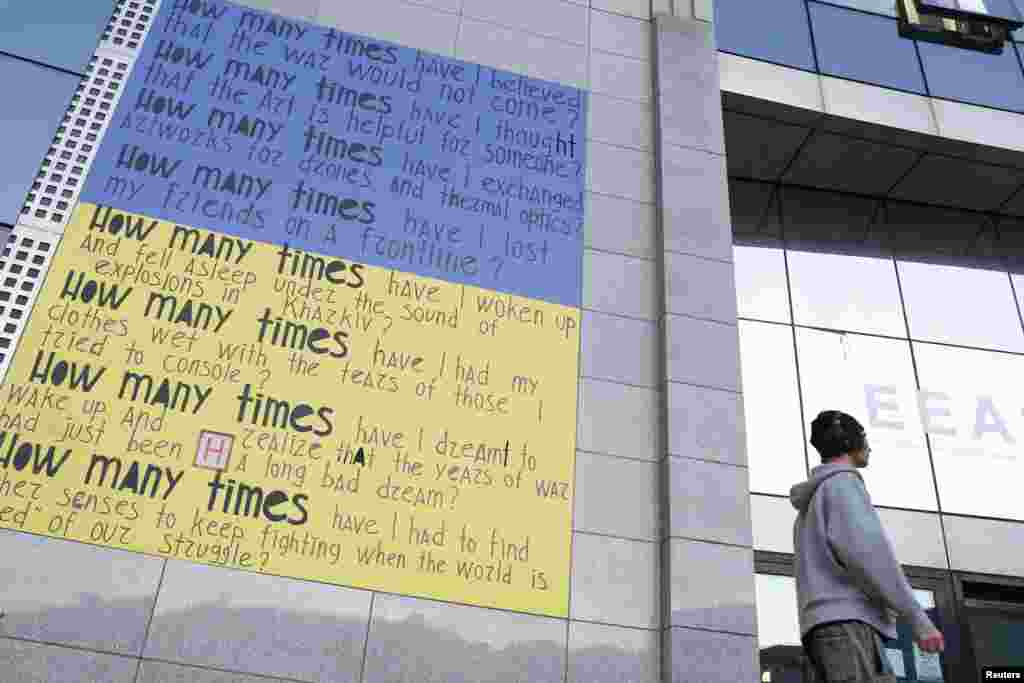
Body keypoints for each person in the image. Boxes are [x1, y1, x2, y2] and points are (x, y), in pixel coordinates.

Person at [791, 410, 945, 682]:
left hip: (825, 631)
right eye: (865, 438)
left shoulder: (813, 503)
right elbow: (871, 558)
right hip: (847, 628)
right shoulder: (842, 486)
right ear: (851, 443)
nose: (870, 447)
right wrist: (919, 619)